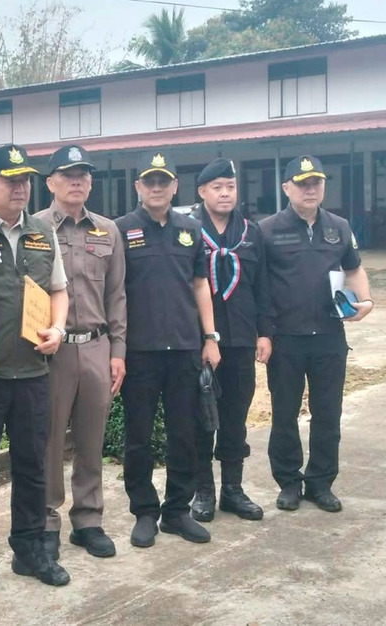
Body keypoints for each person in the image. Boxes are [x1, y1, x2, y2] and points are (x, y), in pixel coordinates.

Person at [0, 144, 70, 601]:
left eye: (24, 179)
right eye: (10, 180)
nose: (20, 187)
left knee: (32, 466)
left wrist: (58, 328)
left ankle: (29, 549)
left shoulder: (43, 231)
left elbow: (58, 289)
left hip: (32, 372)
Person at [114, 152, 220, 549]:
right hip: (139, 351)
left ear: (175, 186)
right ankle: (144, 511)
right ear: (138, 186)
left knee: (184, 434)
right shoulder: (121, 230)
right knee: (138, 437)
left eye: (164, 181)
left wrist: (210, 337)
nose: (156, 187)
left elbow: (200, 285)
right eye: (149, 181)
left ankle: (176, 511)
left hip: (184, 349)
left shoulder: (190, 229)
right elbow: (114, 291)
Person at [259, 155, 373, 513]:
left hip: (328, 336)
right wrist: (263, 332)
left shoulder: (339, 226)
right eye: (302, 183)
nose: (310, 189)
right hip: (285, 338)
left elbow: (354, 269)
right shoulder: (267, 230)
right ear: (286, 188)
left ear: (323, 186)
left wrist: (366, 301)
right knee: (284, 414)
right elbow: (259, 285)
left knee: (328, 414)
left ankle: (321, 483)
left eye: (316, 183)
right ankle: (289, 482)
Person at [33, 145, 126, 560]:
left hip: (96, 347)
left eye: (84, 175)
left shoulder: (108, 230)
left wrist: (118, 350)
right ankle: (46, 522)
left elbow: (117, 295)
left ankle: (88, 520)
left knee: (91, 439)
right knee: (49, 440)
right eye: (68, 175)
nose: (77, 181)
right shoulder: (33, 228)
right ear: (50, 182)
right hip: (50, 352)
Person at [188, 158, 271, 523]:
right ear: (202, 192)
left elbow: (262, 286)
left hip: (240, 339)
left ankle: (232, 490)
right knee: (201, 416)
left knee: (236, 417)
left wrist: (264, 332)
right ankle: (203, 490)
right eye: (217, 187)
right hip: (198, 341)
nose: (225, 193)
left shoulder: (251, 233)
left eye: (230, 187)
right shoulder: (188, 230)